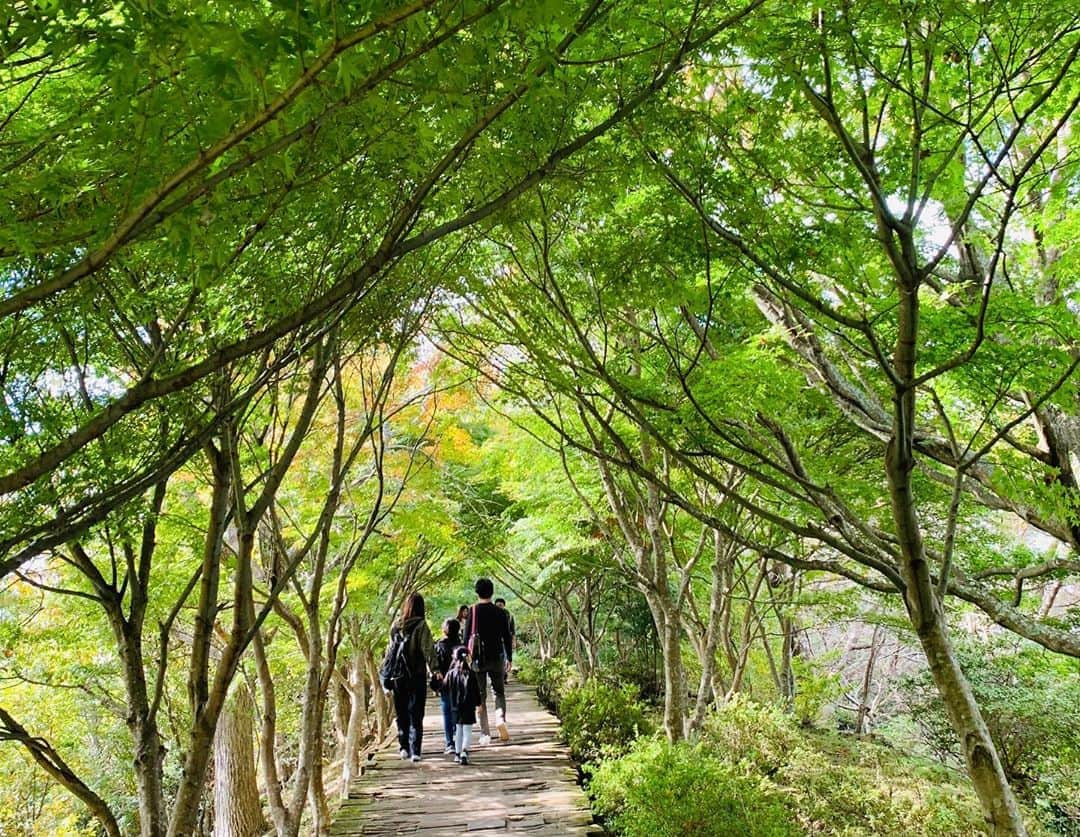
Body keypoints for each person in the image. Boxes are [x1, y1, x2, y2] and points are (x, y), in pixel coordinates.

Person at [387, 592, 439, 763]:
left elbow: (390, 652)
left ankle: (403, 747)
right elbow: (428, 650)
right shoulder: (421, 625)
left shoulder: (396, 626)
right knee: (416, 712)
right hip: (416, 675)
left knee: (401, 712)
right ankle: (415, 750)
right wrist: (435, 670)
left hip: (398, 676)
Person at [461, 578, 513, 743]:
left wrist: (465, 660)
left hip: (477, 660)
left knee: (480, 695)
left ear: (477, 592)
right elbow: (507, 636)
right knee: (498, 692)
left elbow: (465, 638)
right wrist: (509, 658)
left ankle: (485, 733)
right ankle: (500, 718)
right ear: (492, 592)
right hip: (497, 657)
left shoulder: (473, 611)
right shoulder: (500, 612)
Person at [445, 646, 481, 765]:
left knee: (459, 729)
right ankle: (465, 751)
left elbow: (443, 687)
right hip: (468, 706)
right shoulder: (471, 673)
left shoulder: (451, 674)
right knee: (467, 730)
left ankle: (457, 753)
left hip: (455, 706)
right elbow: (476, 691)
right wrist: (479, 704)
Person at [433, 617, 462, 754]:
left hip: (445, 683)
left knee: (447, 713)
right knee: (458, 711)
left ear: (445, 630)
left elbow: (435, 665)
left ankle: (450, 743)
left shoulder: (440, 645)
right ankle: (459, 740)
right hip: (460, 683)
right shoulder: (461, 646)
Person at [494, 597, 517, 679]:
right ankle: (501, 675)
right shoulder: (492, 615)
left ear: (504, 606)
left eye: (500, 605)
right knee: (499, 658)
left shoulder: (509, 615)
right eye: (497, 605)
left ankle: (504, 675)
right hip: (495, 641)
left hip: (506, 640)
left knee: (506, 657)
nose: (499, 607)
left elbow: (513, 630)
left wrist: (514, 641)